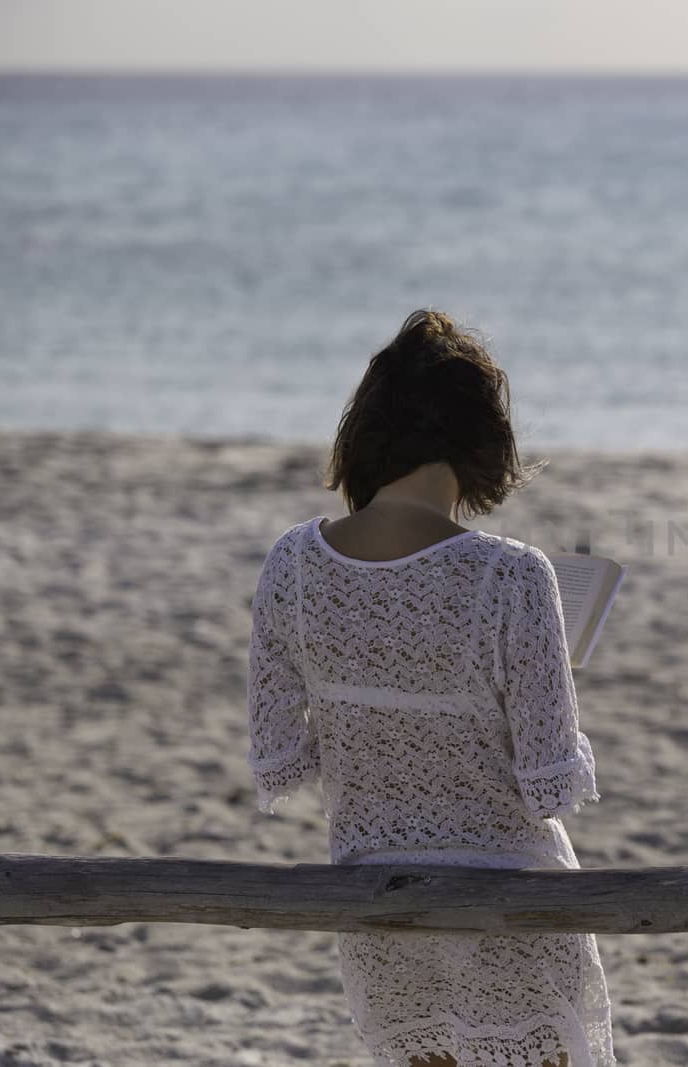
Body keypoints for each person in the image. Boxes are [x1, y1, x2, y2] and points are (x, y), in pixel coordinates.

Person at [245, 309, 617, 1067]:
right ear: (481, 440)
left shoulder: (292, 564)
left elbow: (280, 754)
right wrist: (548, 683)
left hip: (376, 903)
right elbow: (546, 785)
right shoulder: (512, 574)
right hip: (509, 905)